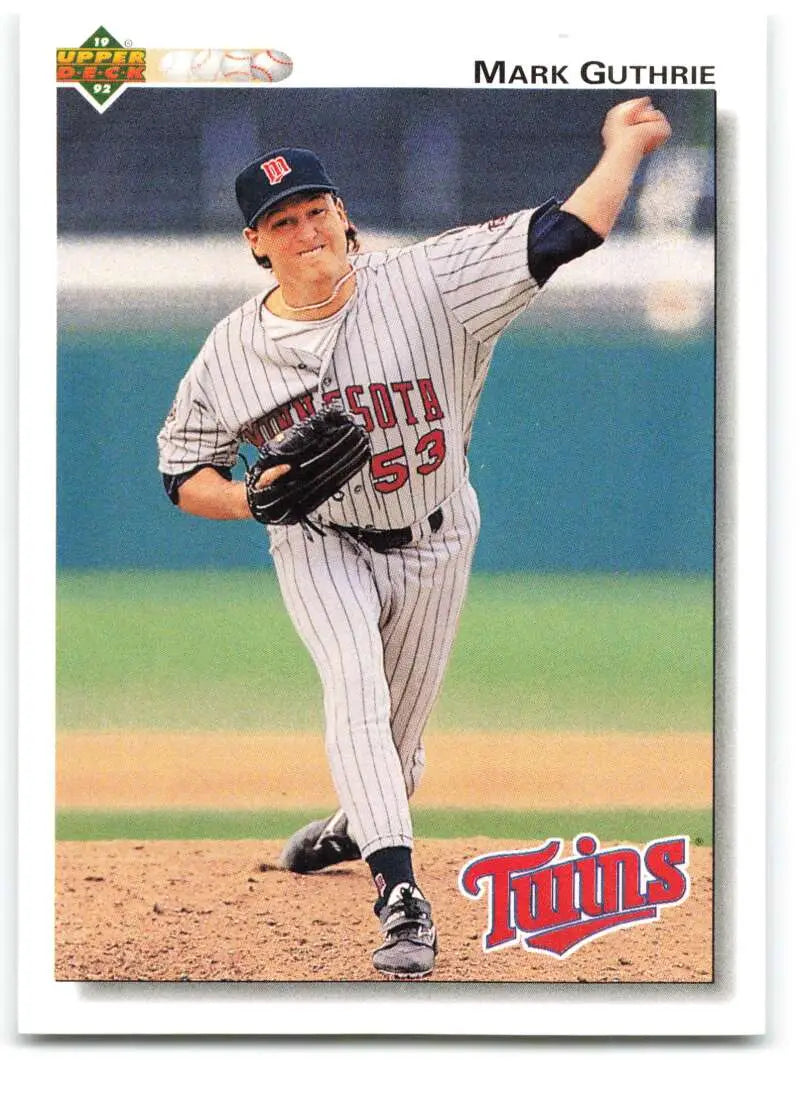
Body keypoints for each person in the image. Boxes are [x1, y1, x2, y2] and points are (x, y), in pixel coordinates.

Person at [157, 96, 671, 979]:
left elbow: (567, 231)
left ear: (343, 216)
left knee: (396, 747)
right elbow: (181, 472)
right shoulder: (230, 352)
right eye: (282, 221)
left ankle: (357, 824)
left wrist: (621, 150)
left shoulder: (432, 281)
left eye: (316, 210)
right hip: (321, 541)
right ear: (256, 242)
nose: (305, 228)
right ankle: (399, 892)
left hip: (436, 532)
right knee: (353, 687)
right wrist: (251, 503)